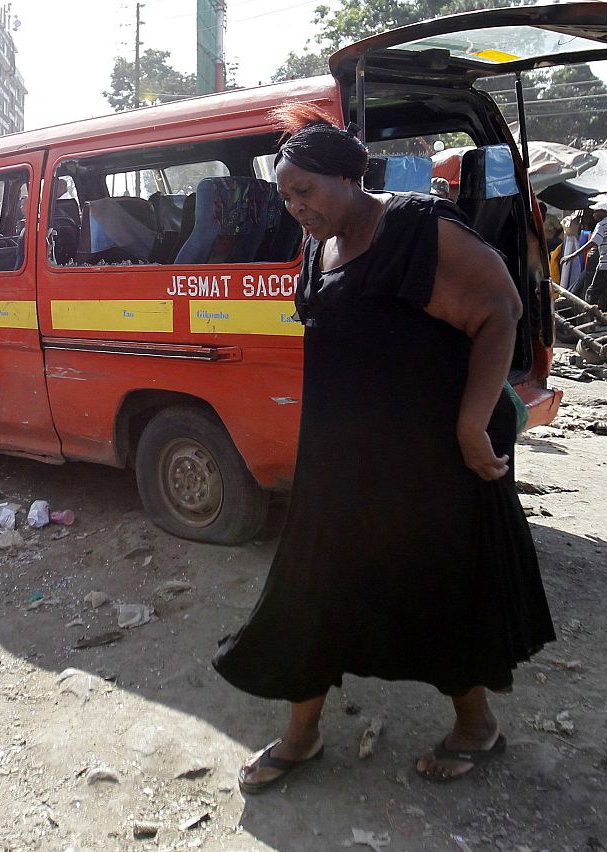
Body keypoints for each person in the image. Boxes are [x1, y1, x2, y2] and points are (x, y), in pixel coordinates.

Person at [213, 103, 554, 792]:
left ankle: (476, 725)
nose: (295, 207)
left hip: (427, 461)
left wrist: (470, 422)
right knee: (314, 591)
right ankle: (300, 735)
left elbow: (500, 312)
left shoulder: (415, 227)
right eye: (284, 196)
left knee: (439, 590)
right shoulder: (318, 246)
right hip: (343, 464)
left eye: (305, 191)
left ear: (351, 176)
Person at [561, 201, 607, 323]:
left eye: (596, 212)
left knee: (592, 293)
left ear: (603, 212)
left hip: (606, 265)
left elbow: (593, 242)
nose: (594, 214)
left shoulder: (602, 225)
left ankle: (587, 319)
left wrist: (572, 255)